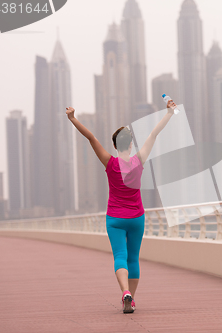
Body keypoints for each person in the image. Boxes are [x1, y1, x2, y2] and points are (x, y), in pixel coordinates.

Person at [66, 100, 176, 313]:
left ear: (115, 145)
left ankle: (125, 291)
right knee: (133, 257)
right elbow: (154, 134)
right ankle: (131, 299)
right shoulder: (138, 161)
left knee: (120, 256)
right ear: (131, 145)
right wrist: (169, 113)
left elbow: (91, 138)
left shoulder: (110, 162)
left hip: (115, 218)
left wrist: (72, 119)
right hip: (136, 218)